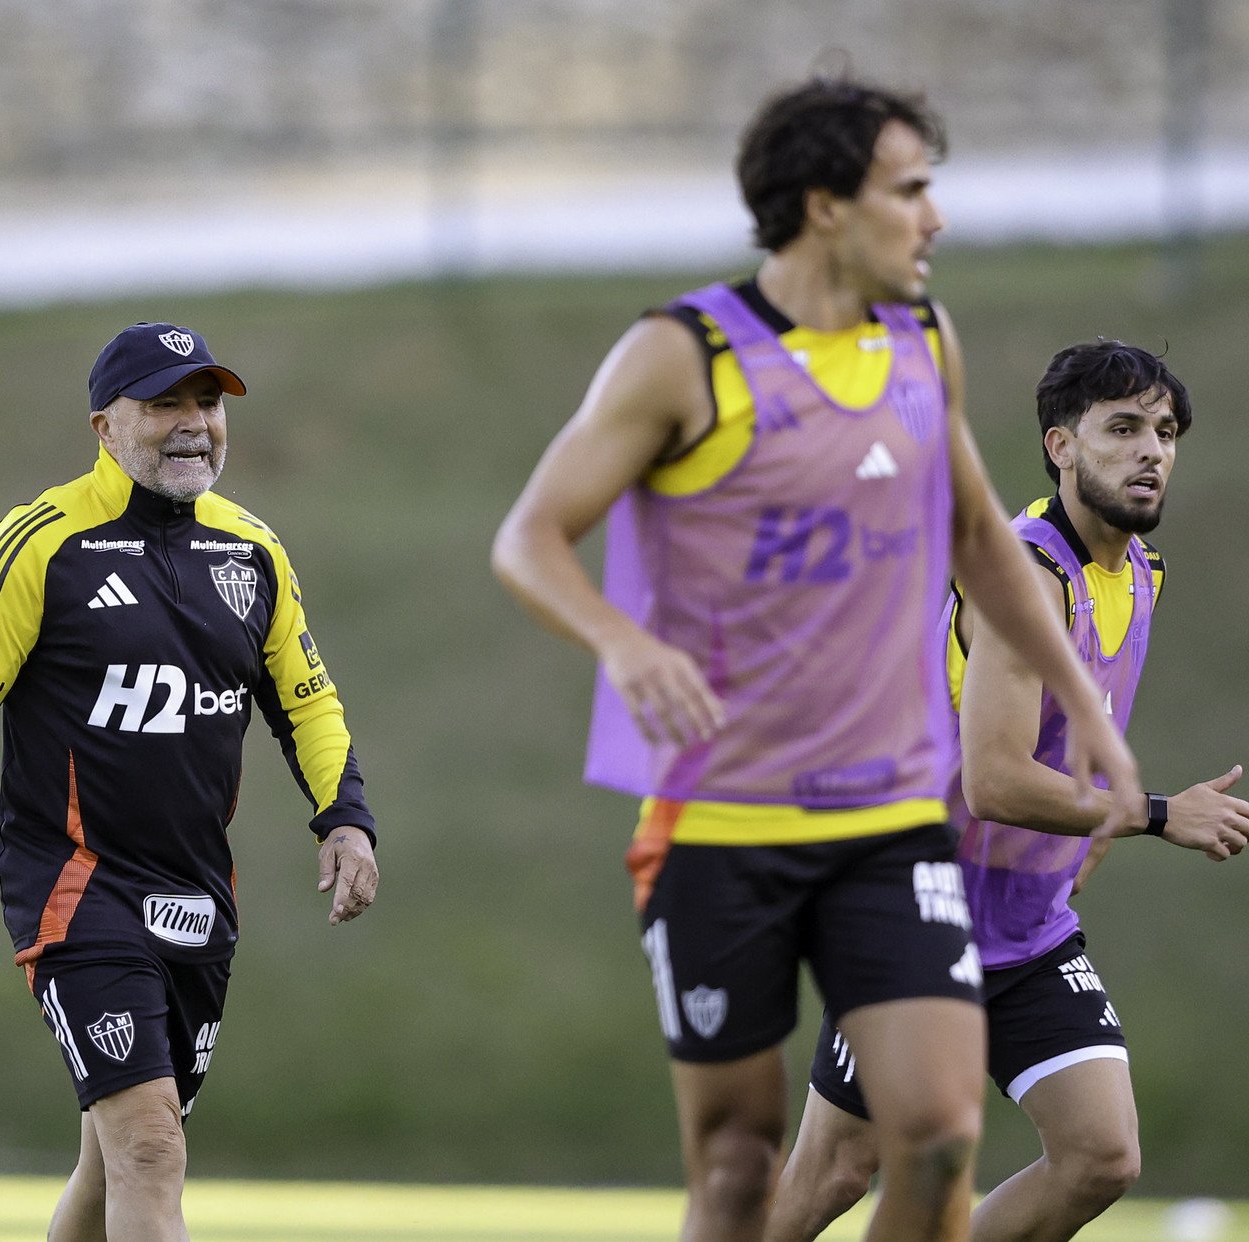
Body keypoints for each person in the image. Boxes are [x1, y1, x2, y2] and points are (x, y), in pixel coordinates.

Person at [490, 77, 1144, 1242]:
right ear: (824, 206)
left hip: (887, 820)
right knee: (741, 1171)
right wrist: (620, 640)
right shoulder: (679, 355)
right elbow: (527, 538)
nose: (933, 218)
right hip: (717, 823)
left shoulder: (918, 343)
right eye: (909, 189)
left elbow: (982, 541)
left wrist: (1091, 724)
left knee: (938, 1137)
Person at [0, 322, 379, 1242]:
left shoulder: (252, 551)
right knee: (150, 1148)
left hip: (198, 892)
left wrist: (344, 819)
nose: (194, 425)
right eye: (164, 405)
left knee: (110, 1168)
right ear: (105, 426)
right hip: (75, 891)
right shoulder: (37, 545)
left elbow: (307, 701)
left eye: (207, 402)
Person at [766, 341, 1245, 1242]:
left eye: (1167, 432)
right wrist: (1154, 814)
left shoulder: (1141, 576)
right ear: (1061, 447)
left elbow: (1072, 733)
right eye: (1124, 429)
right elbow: (992, 779)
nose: (1153, 451)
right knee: (835, 1172)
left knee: (1101, 1155)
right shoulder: (1027, 577)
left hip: (1025, 928)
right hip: (913, 915)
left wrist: (1081, 838)